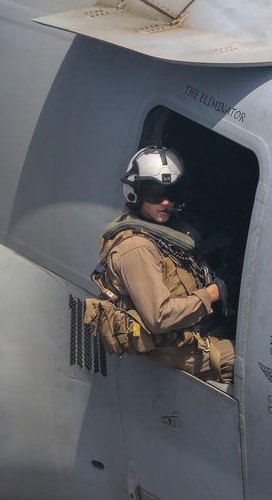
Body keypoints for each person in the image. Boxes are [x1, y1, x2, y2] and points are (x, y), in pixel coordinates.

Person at [94, 146, 234, 383]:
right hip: (174, 346)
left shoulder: (168, 231)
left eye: (172, 191)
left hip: (194, 330)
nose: (166, 201)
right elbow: (160, 318)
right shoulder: (136, 248)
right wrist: (211, 294)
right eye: (155, 192)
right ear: (134, 193)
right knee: (250, 368)